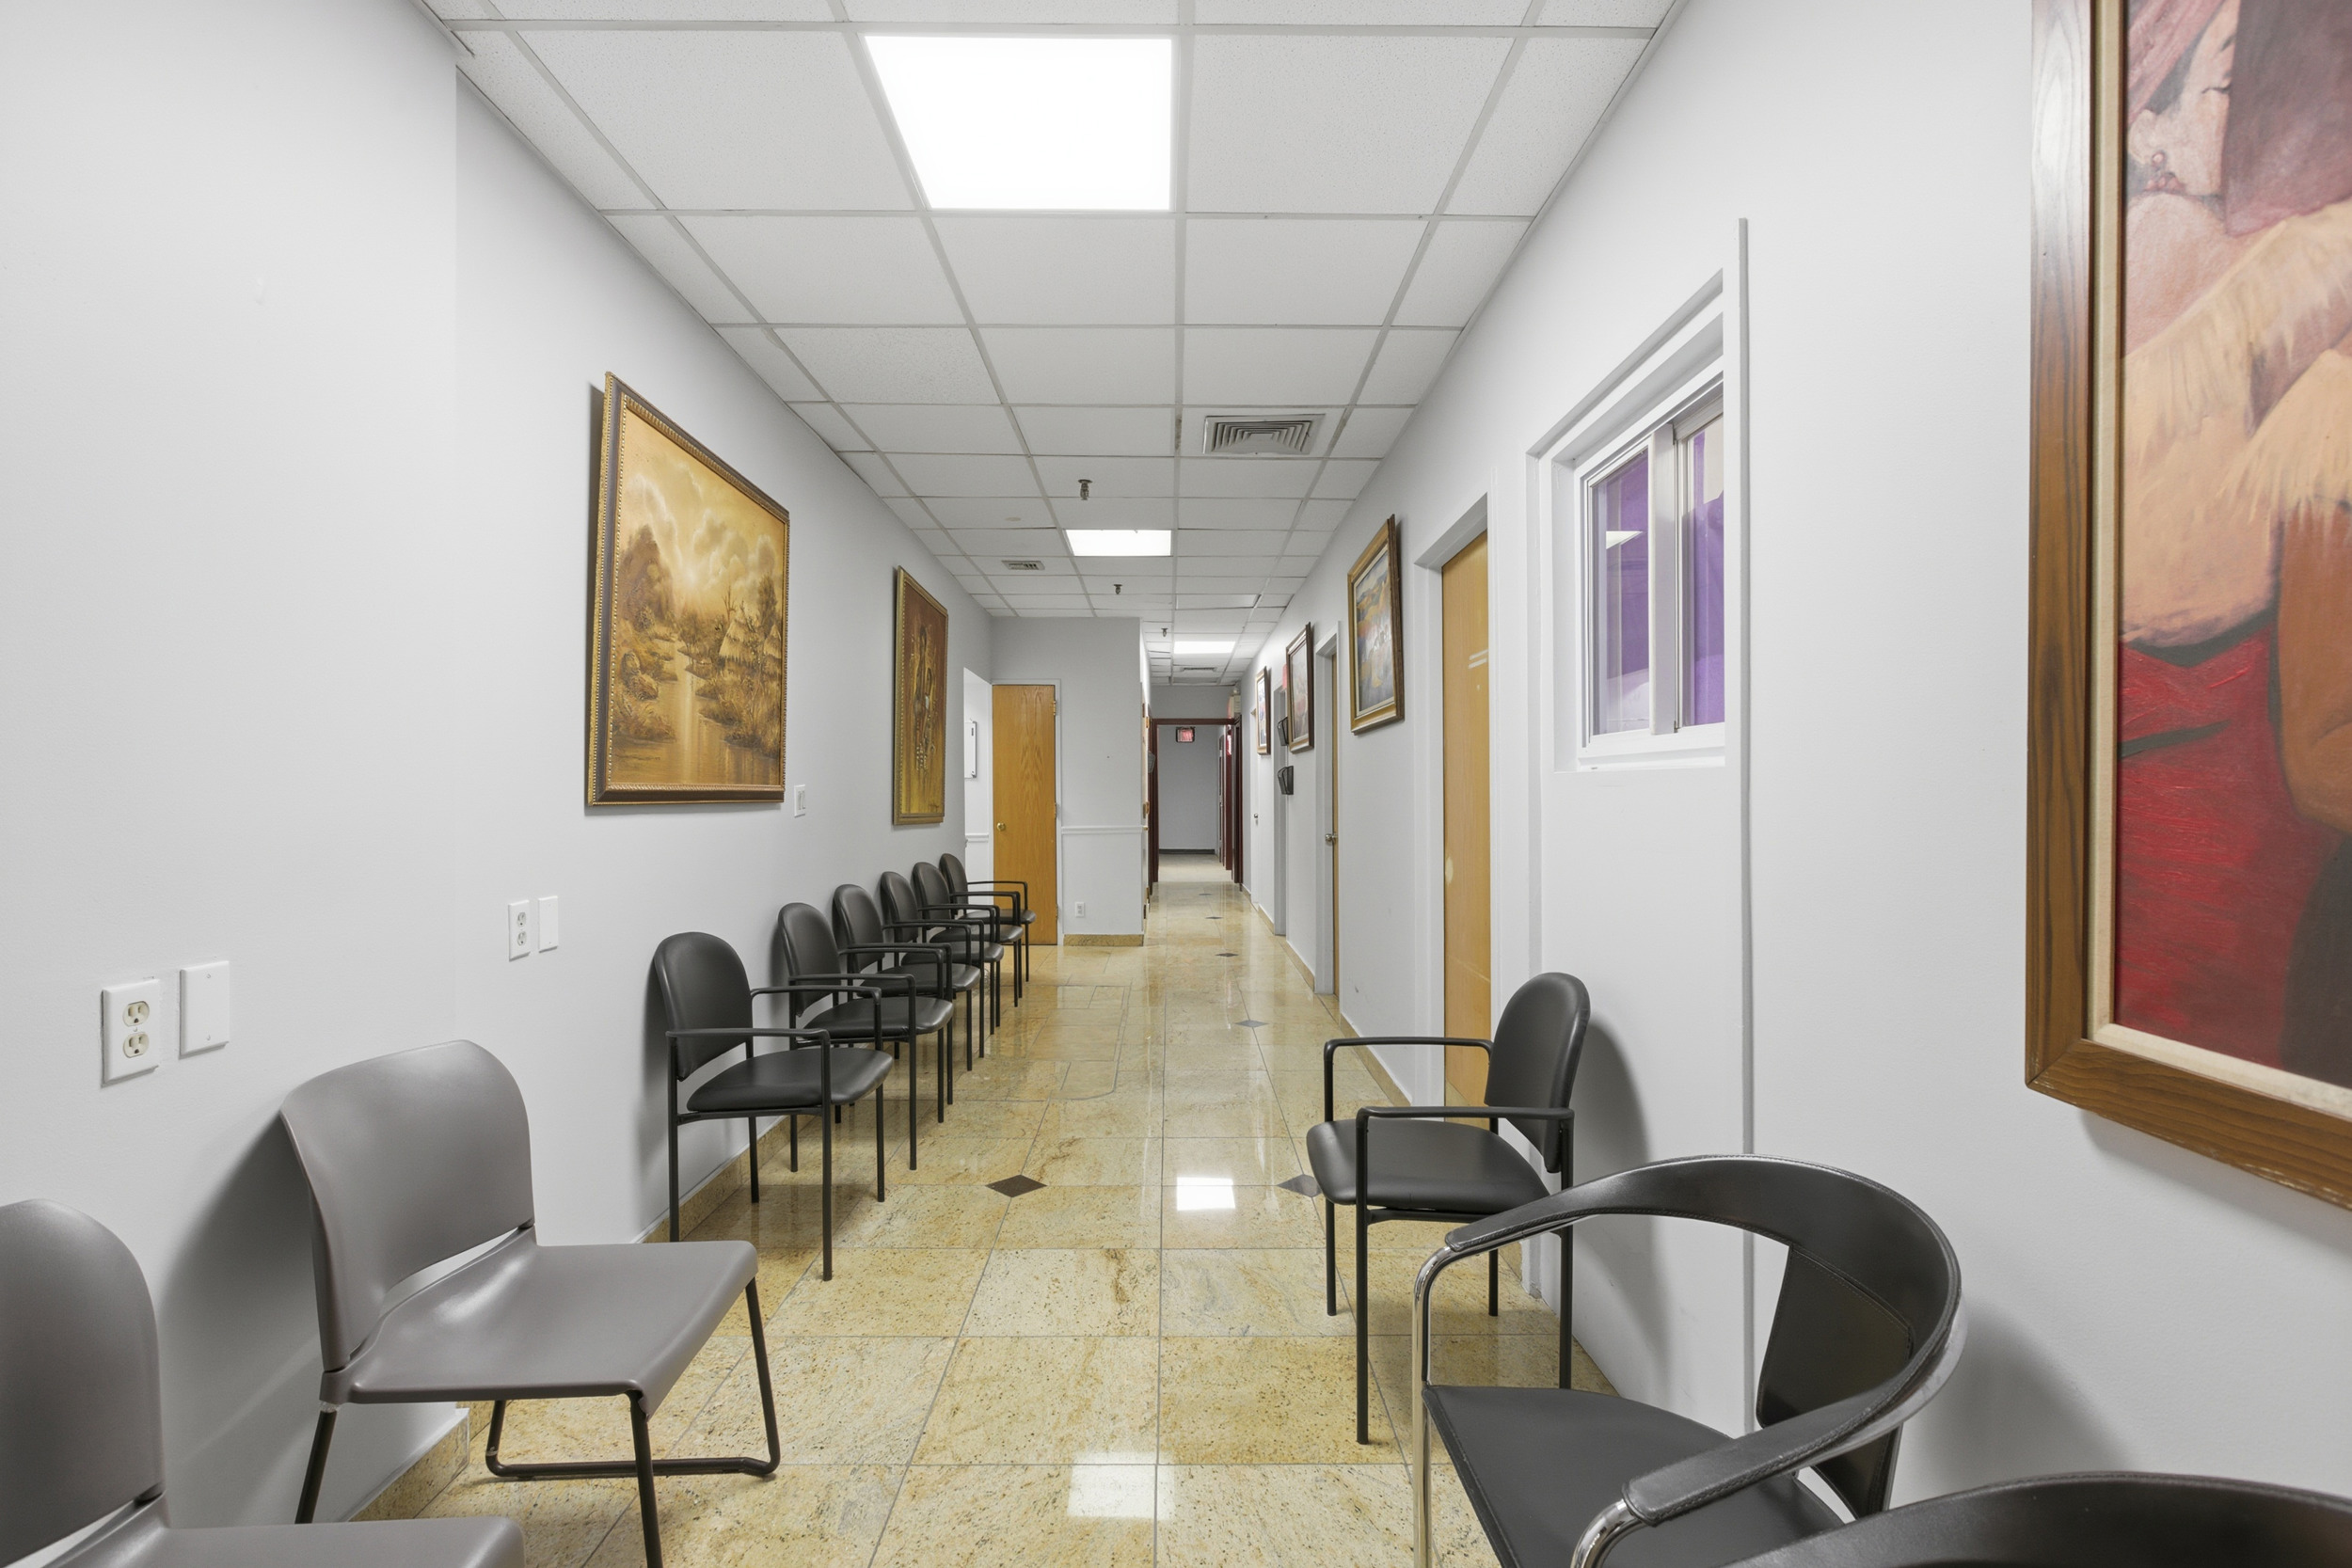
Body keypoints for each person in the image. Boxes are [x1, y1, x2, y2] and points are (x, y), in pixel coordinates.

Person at [2114, 0, 2352, 1084]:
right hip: (2220, 860)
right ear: (2149, 125)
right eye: (2224, 89)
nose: (2255, 122)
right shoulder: (2192, 266)